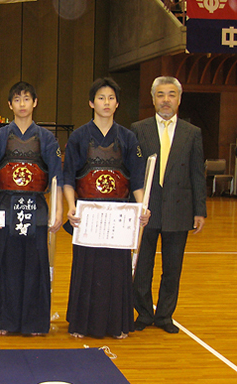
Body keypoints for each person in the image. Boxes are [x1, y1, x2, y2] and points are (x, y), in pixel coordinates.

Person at [64, 77, 149, 339]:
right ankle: (81, 324)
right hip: (88, 214)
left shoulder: (127, 138)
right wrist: (71, 207)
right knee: (86, 268)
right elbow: (68, 178)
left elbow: (136, 179)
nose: (106, 103)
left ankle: (117, 325)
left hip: (118, 215)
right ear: (91, 102)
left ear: (117, 103)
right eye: (101, 98)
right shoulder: (79, 136)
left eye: (111, 98)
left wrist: (142, 207)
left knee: (116, 269)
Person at [0, 81, 63, 336]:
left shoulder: (47, 138)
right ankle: (2, 319)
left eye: (27, 99)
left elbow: (56, 177)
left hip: (36, 207)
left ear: (35, 103)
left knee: (35, 264)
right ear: (10, 105)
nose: (22, 104)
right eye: (17, 100)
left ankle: (34, 322)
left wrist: (57, 210)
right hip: (5, 205)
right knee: (5, 262)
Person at [132, 76, 206, 334]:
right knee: (142, 267)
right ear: (152, 99)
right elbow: (133, 171)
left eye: (171, 94)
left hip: (179, 209)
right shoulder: (138, 129)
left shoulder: (192, 133)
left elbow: (197, 173)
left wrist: (200, 211)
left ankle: (164, 316)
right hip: (146, 211)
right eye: (161, 95)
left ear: (179, 99)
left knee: (172, 268)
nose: (166, 100)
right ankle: (142, 313)